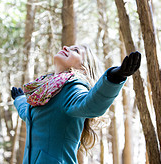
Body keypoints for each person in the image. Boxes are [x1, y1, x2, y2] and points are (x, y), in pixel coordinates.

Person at [11, 45, 141, 164]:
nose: (66, 47)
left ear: (84, 68)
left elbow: (91, 105)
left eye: (76, 51)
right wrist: (20, 100)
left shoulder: (73, 88)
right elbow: (30, 115)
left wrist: (114, 78)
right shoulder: (47, 91)